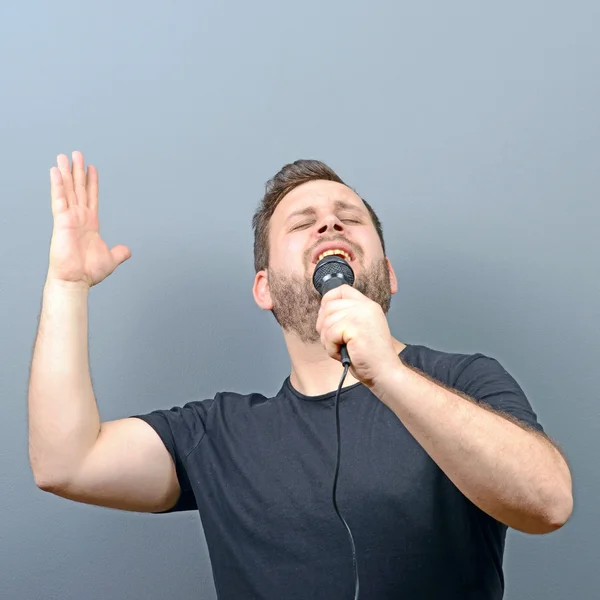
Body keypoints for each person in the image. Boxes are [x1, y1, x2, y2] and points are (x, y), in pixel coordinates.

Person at [28, 151, 573, 600]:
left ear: (388, 273)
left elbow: (548, 503)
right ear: (263, 288)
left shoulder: (464, 381)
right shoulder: (219, 435)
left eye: (349, 216)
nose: (330, 222)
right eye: (302, 222)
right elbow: (65, 463)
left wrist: (387, 373)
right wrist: (66, 286)